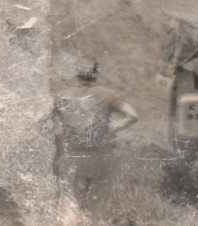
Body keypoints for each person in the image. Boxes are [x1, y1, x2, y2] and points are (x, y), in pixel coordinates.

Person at [52, 57, 138, 214]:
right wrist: (111, 129)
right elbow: (133, 115)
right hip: (101, 155)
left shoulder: (62, 95)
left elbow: (39, 118)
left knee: (70, 205)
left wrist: (57, 129)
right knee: (99, 208)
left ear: (77, 73)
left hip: (72, 155)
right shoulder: (109, 94)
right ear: (96, 73)